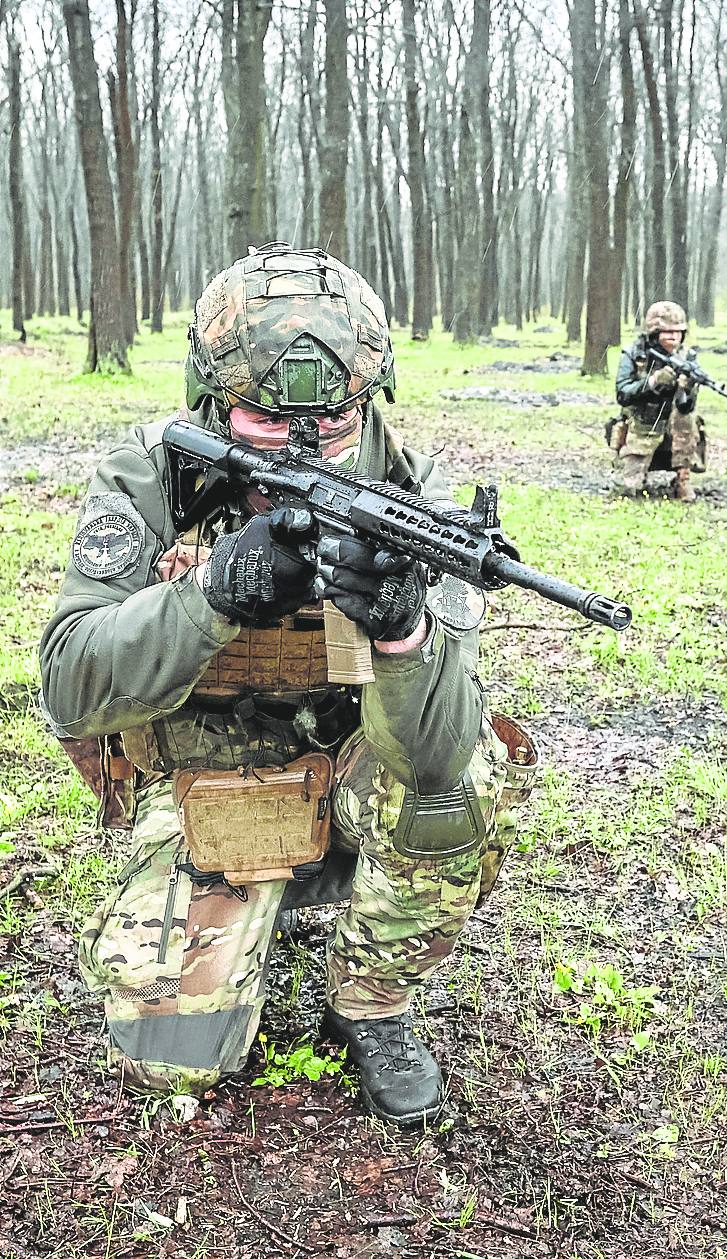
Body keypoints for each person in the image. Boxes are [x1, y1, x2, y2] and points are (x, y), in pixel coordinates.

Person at [39, 244, 536, 1127]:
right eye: (263, 421)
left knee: (465, 784)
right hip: (201, 786)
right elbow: (69, 689)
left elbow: (434, 754)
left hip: (354, 774)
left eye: (335, 420)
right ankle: (246, 918)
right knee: (171, 1058)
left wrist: (402, 632)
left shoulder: (412, 497)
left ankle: (370, 1003)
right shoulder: (150, 477)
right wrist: (211, 595)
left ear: (367, 398)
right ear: (210, 395)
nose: (304, 444)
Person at [611, 301, 705, 503]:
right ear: (654, 333)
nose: (673, 337)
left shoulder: (687, 357)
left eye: (678, 332)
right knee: (628, 489)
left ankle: (683, 478)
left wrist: (687, 389)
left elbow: (686, 407)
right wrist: (653, 382)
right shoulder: (635, 354)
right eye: (667, 332)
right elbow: (623, 393)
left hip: (675, 433)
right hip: (641, 428)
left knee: (686, 418)